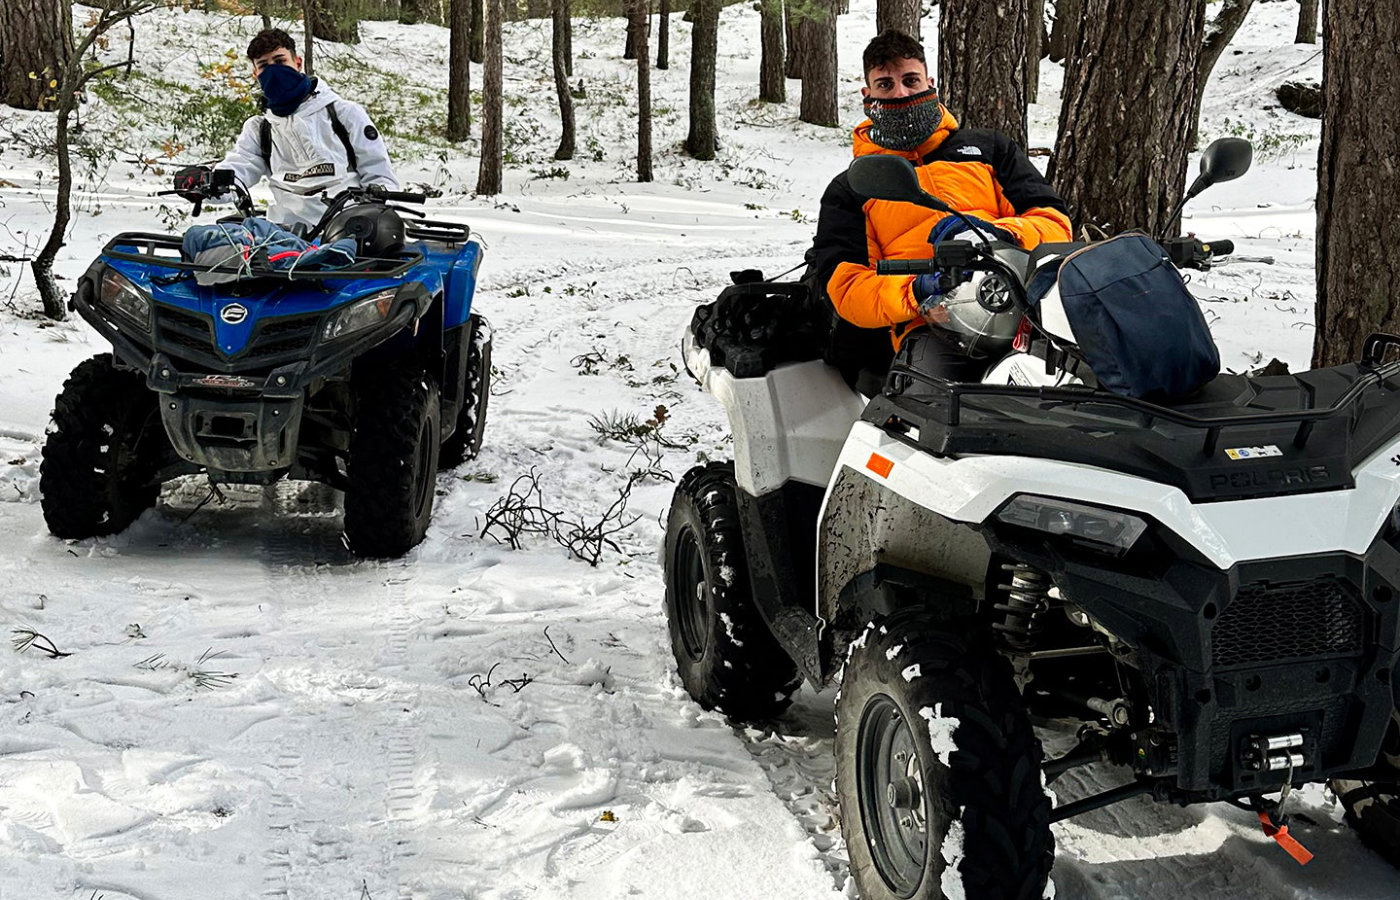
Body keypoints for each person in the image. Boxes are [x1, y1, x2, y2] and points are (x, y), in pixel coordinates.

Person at [807, 30, 1072, 384]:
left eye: (910, 80)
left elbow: (1054, 222)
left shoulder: (988, 150)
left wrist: (996, 236)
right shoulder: (852, 187)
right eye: (886, 85)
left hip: (1025, 310)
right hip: (931, 327)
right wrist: (916, 290)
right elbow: (848, 289)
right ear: (867, 95)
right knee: (941, 411)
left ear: (929, 83)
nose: (901, 93)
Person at [173, 28, 399, 231]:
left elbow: (378, 173)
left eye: (280, 61)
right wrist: (205, 182)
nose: (274, 70)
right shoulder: (260, 129)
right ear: (256, 74)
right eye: (264, 65)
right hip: (286, 232)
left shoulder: (343, 113)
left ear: (297, 63)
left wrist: (373, 216)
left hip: (347, 226)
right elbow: (239, 170)